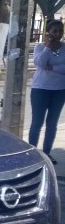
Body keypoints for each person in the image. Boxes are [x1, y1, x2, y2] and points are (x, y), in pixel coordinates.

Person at [29, 19, 65, 164]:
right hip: (40, 89)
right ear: (48, 32)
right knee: (37, 122)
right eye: (54, 31)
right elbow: (39, 63)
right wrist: (48, 47)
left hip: (60, 90)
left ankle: (47, 153)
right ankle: (31, 152)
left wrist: (53, 68)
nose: (58, 34)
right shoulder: (40, 47)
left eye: (60, 31)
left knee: (52, 123)